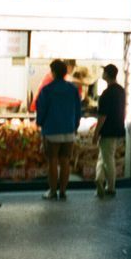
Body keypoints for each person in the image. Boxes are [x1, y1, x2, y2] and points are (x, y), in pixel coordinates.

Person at [36, 58, 81, 200]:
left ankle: (52, 191)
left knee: (53, 161)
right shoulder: (73, 89)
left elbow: (41, 110)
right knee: (65, 161)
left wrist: (40, 123)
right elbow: (79, 110)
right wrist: (75, 126)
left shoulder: (47, 90)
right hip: (69, 130)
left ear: (53, 72)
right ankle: (63, 191)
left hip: (51, 131)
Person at [92, 63, 126, 198]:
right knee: (104, 156)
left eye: (104, 71)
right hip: (117, 128)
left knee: (108, 158)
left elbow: (102, 117)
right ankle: (99, 180)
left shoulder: (106, 94)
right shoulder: (121, 90)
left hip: (108, 130)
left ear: (107, 74)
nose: (102, 74)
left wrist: (96, 133)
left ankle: (111, 187)